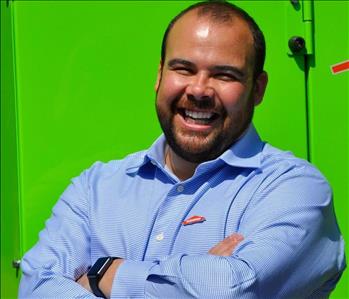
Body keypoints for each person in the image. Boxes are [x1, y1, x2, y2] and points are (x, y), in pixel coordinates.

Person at [19, 1, 345, 298]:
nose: (200, 89)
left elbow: (233, 289)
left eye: (224, 74)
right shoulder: (95, 189)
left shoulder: (296, 191)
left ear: (257, 89)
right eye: (184, 69)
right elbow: (35, 288)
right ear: (159, 74)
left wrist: (101, 276)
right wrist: (193, 281)